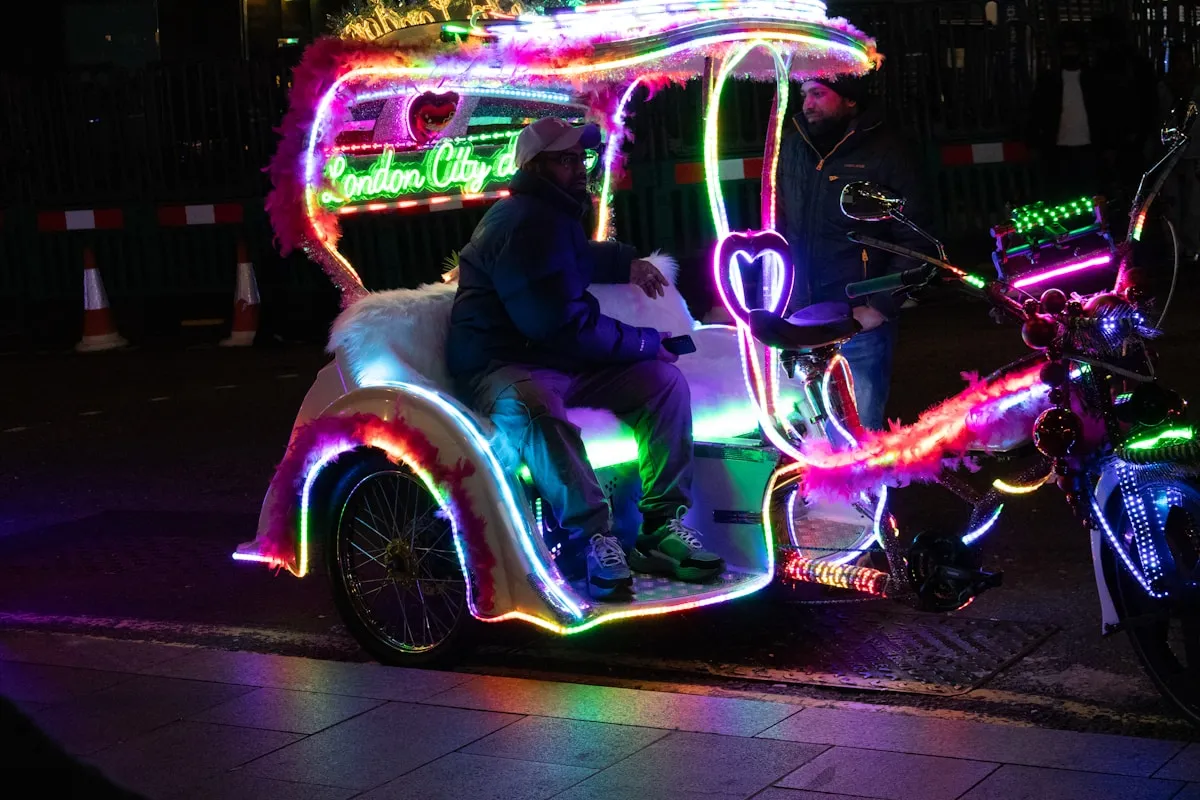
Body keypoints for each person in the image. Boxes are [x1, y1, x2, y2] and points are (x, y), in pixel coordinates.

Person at [446, 117, 724, 600]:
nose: (579, 169)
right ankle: (592, 537)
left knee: (662, 383)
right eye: (566, 159)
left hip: (555, 357)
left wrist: (626, 263)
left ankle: (660, 527)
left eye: (581, 159)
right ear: (536, 166)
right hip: (501, 364)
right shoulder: (522, 224)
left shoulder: (551, 215)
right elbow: (558, 324)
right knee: (536, 408)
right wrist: (643, 340)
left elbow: (575, 260)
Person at [775, 74, 931, 431]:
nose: (807, 103)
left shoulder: (886, 150)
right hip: (800, 316)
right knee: (809, 438)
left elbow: (916, 237)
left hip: (856, 319)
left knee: (858, 434)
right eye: (804, 94)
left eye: (818, 93)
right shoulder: (794, 146)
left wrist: (878, 305)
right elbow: (779, 223)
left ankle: (866, 490)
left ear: (850, 99)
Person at [1028, 25, 1103, 198]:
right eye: (1066, 48)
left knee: (1087, 198)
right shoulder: (1048, 81)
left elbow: (1103, 114)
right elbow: (1036, 113)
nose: (1069, 53)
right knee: (1062, 198)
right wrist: (1034, 144)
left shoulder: (1093, 79)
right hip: (1058, 152)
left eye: (1073, 48)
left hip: (1088, 150)